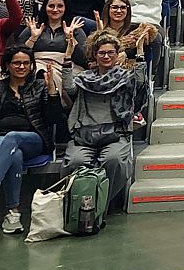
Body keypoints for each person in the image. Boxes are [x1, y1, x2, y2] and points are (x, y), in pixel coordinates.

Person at [0, 46, 60, 234]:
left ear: (31, 65)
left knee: (13, 137)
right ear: (7, 65)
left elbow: (54, 119)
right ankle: (13, 213)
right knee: (14, 154)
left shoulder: (40, 86)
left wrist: (51, 91)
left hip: (33, 139)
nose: (22, 67)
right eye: (17, 63)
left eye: (26, 63)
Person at [62, 31, 145, 206]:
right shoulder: (85, 78)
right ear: (95, 54)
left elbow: (139, 83)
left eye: (110, 53)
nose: (106, 56)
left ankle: (101, 204)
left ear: (117, 54)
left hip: (115, 133)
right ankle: (79, 205)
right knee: (76, 161)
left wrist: (139, 53)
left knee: (114, 161)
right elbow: (69, 88)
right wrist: (68, 57)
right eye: (102, 53)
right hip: (85, 134)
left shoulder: (125, 77)